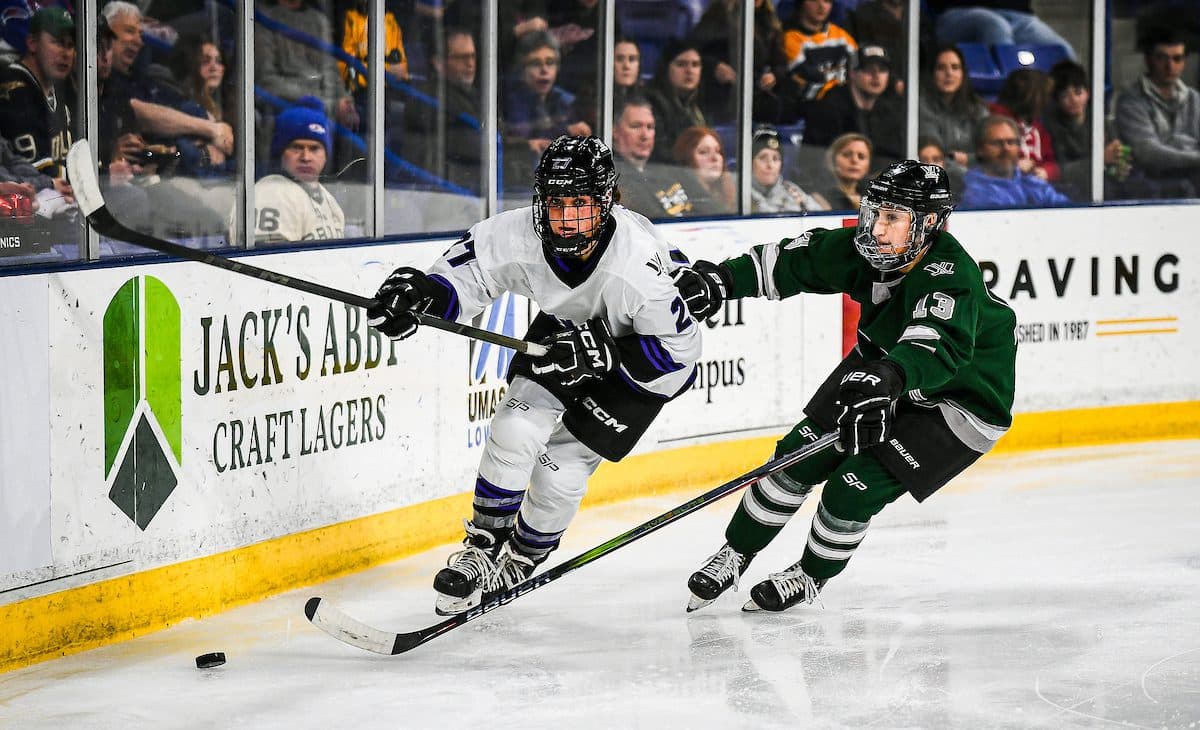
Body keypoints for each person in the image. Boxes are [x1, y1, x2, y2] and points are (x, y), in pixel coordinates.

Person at [365, 136, 701, 615]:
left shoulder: (636, 270)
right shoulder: (515, 234)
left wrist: (608, 354)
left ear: (607, 202)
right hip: (568, 331)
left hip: (638, 359)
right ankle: (482, 548)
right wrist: (422, 297)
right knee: (513, 426)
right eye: (556, 203)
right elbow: (465, 278)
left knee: (559, 470)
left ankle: (522, 558)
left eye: (581, 206)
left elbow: (681, 356)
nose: (566, 220)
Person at [673, 159, 1017, 614]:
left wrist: (889, 377)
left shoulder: (950, 273)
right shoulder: (866, 250)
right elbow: (792, 261)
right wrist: (722, 280)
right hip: (883, 369)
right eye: (875, 212)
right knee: (793, 459)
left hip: (957, 402)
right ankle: (736, 554)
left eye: (893, 218)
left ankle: (810, 576)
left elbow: (936, 347)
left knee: (848, 490)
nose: (876, 228)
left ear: (929, 222)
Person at [243, 96, 346, 244]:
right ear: (281, 152)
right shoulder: (273, 193)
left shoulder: (331, 202)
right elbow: (271, 262)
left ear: (325, 155)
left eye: (314, 148)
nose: (306, 157)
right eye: (296, 147)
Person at [1114, 29, 1200, 198]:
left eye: (1177, 59)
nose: (1170, 66)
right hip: (1149, 192)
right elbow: (1148, 153)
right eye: (1162, 58)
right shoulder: (1130, 100)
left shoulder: (1195, 99)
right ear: (1148, 59)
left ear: (1184, 62)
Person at [0, 6, 75, 199]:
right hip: (32, 197)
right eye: (58, 42)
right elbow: (35, 166)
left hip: (54, 191)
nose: (66, 53)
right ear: (32, 43)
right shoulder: (13, 87)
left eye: (70, 44)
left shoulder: (64, 89)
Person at [502, 30, 591, 185]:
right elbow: (524, 135)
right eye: (536, 63)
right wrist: (566, 131)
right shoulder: (510, 99)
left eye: (550, 62)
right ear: (522, 69)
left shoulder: (563, 101)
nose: (544, 70)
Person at [404, 28, 482, 192]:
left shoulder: (479, 96)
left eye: (473, 56)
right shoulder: (427, 98)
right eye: (462, 57)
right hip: (444, 189)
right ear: (438, 63)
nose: (470, 63)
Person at [802, 45, 904, 165]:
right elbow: (817, 160)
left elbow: (895, 155)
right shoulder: (828, 110)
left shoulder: (889, 112)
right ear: (852, 73)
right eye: (868, 69)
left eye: (882, 70)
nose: (876, 76)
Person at [610, 95, 698, 219]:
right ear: (615, 131)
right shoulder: (613, 178)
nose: (645, 135)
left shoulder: (666, 170)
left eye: (650, 127)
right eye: (636, 126)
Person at [959, 114, 1069, 209]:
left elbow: (1067, 211)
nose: (1006, 148)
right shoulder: (972, 191)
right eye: (997, 143)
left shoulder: (1032, 183)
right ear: (980, 150)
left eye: (1011, 142)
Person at [918, 45, 988, 173]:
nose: (949, 73)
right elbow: (933, 157)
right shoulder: (922, 105)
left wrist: (969, 159)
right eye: (941, 68)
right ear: (932, 74)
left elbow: (990, 153)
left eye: (955, 67)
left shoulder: (978, 108)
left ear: (963, 74)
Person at [780, 0, 858, 110]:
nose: (821, 6)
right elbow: (807, 82)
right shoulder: (789, 38)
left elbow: (860, 71)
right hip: (810, 108)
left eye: (827, 1)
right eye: (814, 0)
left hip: (846, 105)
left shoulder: (842, 37)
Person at [929, 0, 1075, 57]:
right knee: (996, 27)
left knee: (1063, 51)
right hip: (960, 12)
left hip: (1019, 17)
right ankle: (1005, 113)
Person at [989, 68, 1059, 182]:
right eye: (1044, 95)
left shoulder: (1039, 128)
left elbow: (1051, 162)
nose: (1048, 101)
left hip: (1036, 186)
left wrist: (1046, 171)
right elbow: (986, 159)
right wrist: (1014, 166)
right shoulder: (995, 121)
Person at [646, 39, 708, 162]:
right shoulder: (653, 103)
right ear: (666, 68)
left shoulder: (703, 106)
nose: (689, 71)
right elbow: (661, 152)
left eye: (695, 65)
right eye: (681, 64)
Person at [750, 126, 830, 213]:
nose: (770, 165)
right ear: (749, 163)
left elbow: (820, 217)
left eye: (776, 159)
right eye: (763, 158)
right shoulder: (737, 192)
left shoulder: (791, 190)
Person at [672, 126, 736, 216]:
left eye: (718, 151)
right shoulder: (678, 203)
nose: (715, 158)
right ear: (686, 159)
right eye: (704, 152)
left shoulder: (733, 196)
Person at [820, 132, 873, 211]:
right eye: (847, 155)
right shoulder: (819, 199)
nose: (854, 160)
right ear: (832, 160)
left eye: (861, 157)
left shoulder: (872, 197)